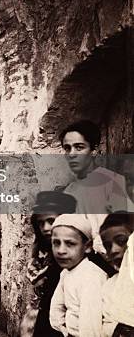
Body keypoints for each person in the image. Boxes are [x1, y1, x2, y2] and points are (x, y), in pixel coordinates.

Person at [59, 120, 130, 254]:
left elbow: (125, 228)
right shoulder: (69, 191)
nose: (72, 154)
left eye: (79, 147)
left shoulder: (113, 182)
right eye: (67, 148)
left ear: (94, 150)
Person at [19, 191, 77, 337]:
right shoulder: (41, 252)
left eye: (51, 221)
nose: (45, 228)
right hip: (41, 316)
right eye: (41, 223)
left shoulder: (72, 257)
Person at [49, 214, 108, 337]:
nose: (61, 250)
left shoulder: (91, 277)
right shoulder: (66, 272)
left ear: (86, 247)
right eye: (56, 243)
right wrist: (64, 329)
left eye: (70, 243)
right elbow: (56, 308)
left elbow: (91, 328)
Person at [100, 214, 134, 336]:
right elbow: (105, 325)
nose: (113, 250)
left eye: (121, 241)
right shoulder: (109, 286)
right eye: (108, 246)